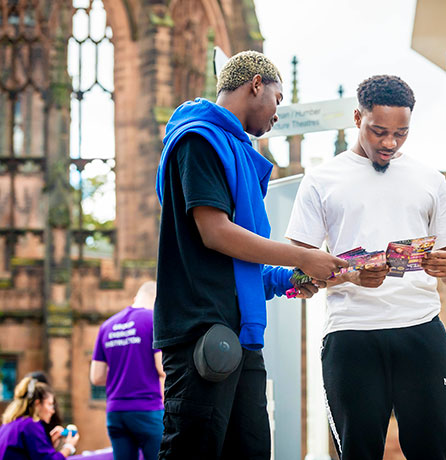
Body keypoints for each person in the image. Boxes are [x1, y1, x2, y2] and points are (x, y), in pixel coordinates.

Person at [154, 50, 346, 459]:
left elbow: (243, 270)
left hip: (242, 338)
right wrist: (301, 257)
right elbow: (215, 233)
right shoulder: (198, 139)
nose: (278, 114)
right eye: (278, 99)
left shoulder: (237, 150)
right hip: (201, 332)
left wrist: (296, 278)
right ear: (256, 83)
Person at [285, 75, 446, 459]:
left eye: (401, 133)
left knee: (435, 451)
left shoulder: (430, 180)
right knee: (358, 452)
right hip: (352, 336)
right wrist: (350, 274)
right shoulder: (321, 181)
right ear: (357, 117)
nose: (389, 143)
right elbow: (296, 272)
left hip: (421, 332)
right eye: (379, 131)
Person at [90, 281, 164, 460]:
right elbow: (162, 367)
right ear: (158, 302)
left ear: (135, 299)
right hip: (147, 409)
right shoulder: (153, 319)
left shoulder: (107, 326)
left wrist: (123, 373)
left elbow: (96, 377)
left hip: (115, 412)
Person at [0, 376, 80, 459]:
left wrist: (48, 443)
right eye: (50, 404)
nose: (53, 411)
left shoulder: (10, 424)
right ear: (37, 404)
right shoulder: (30, 425)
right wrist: (69, 447)